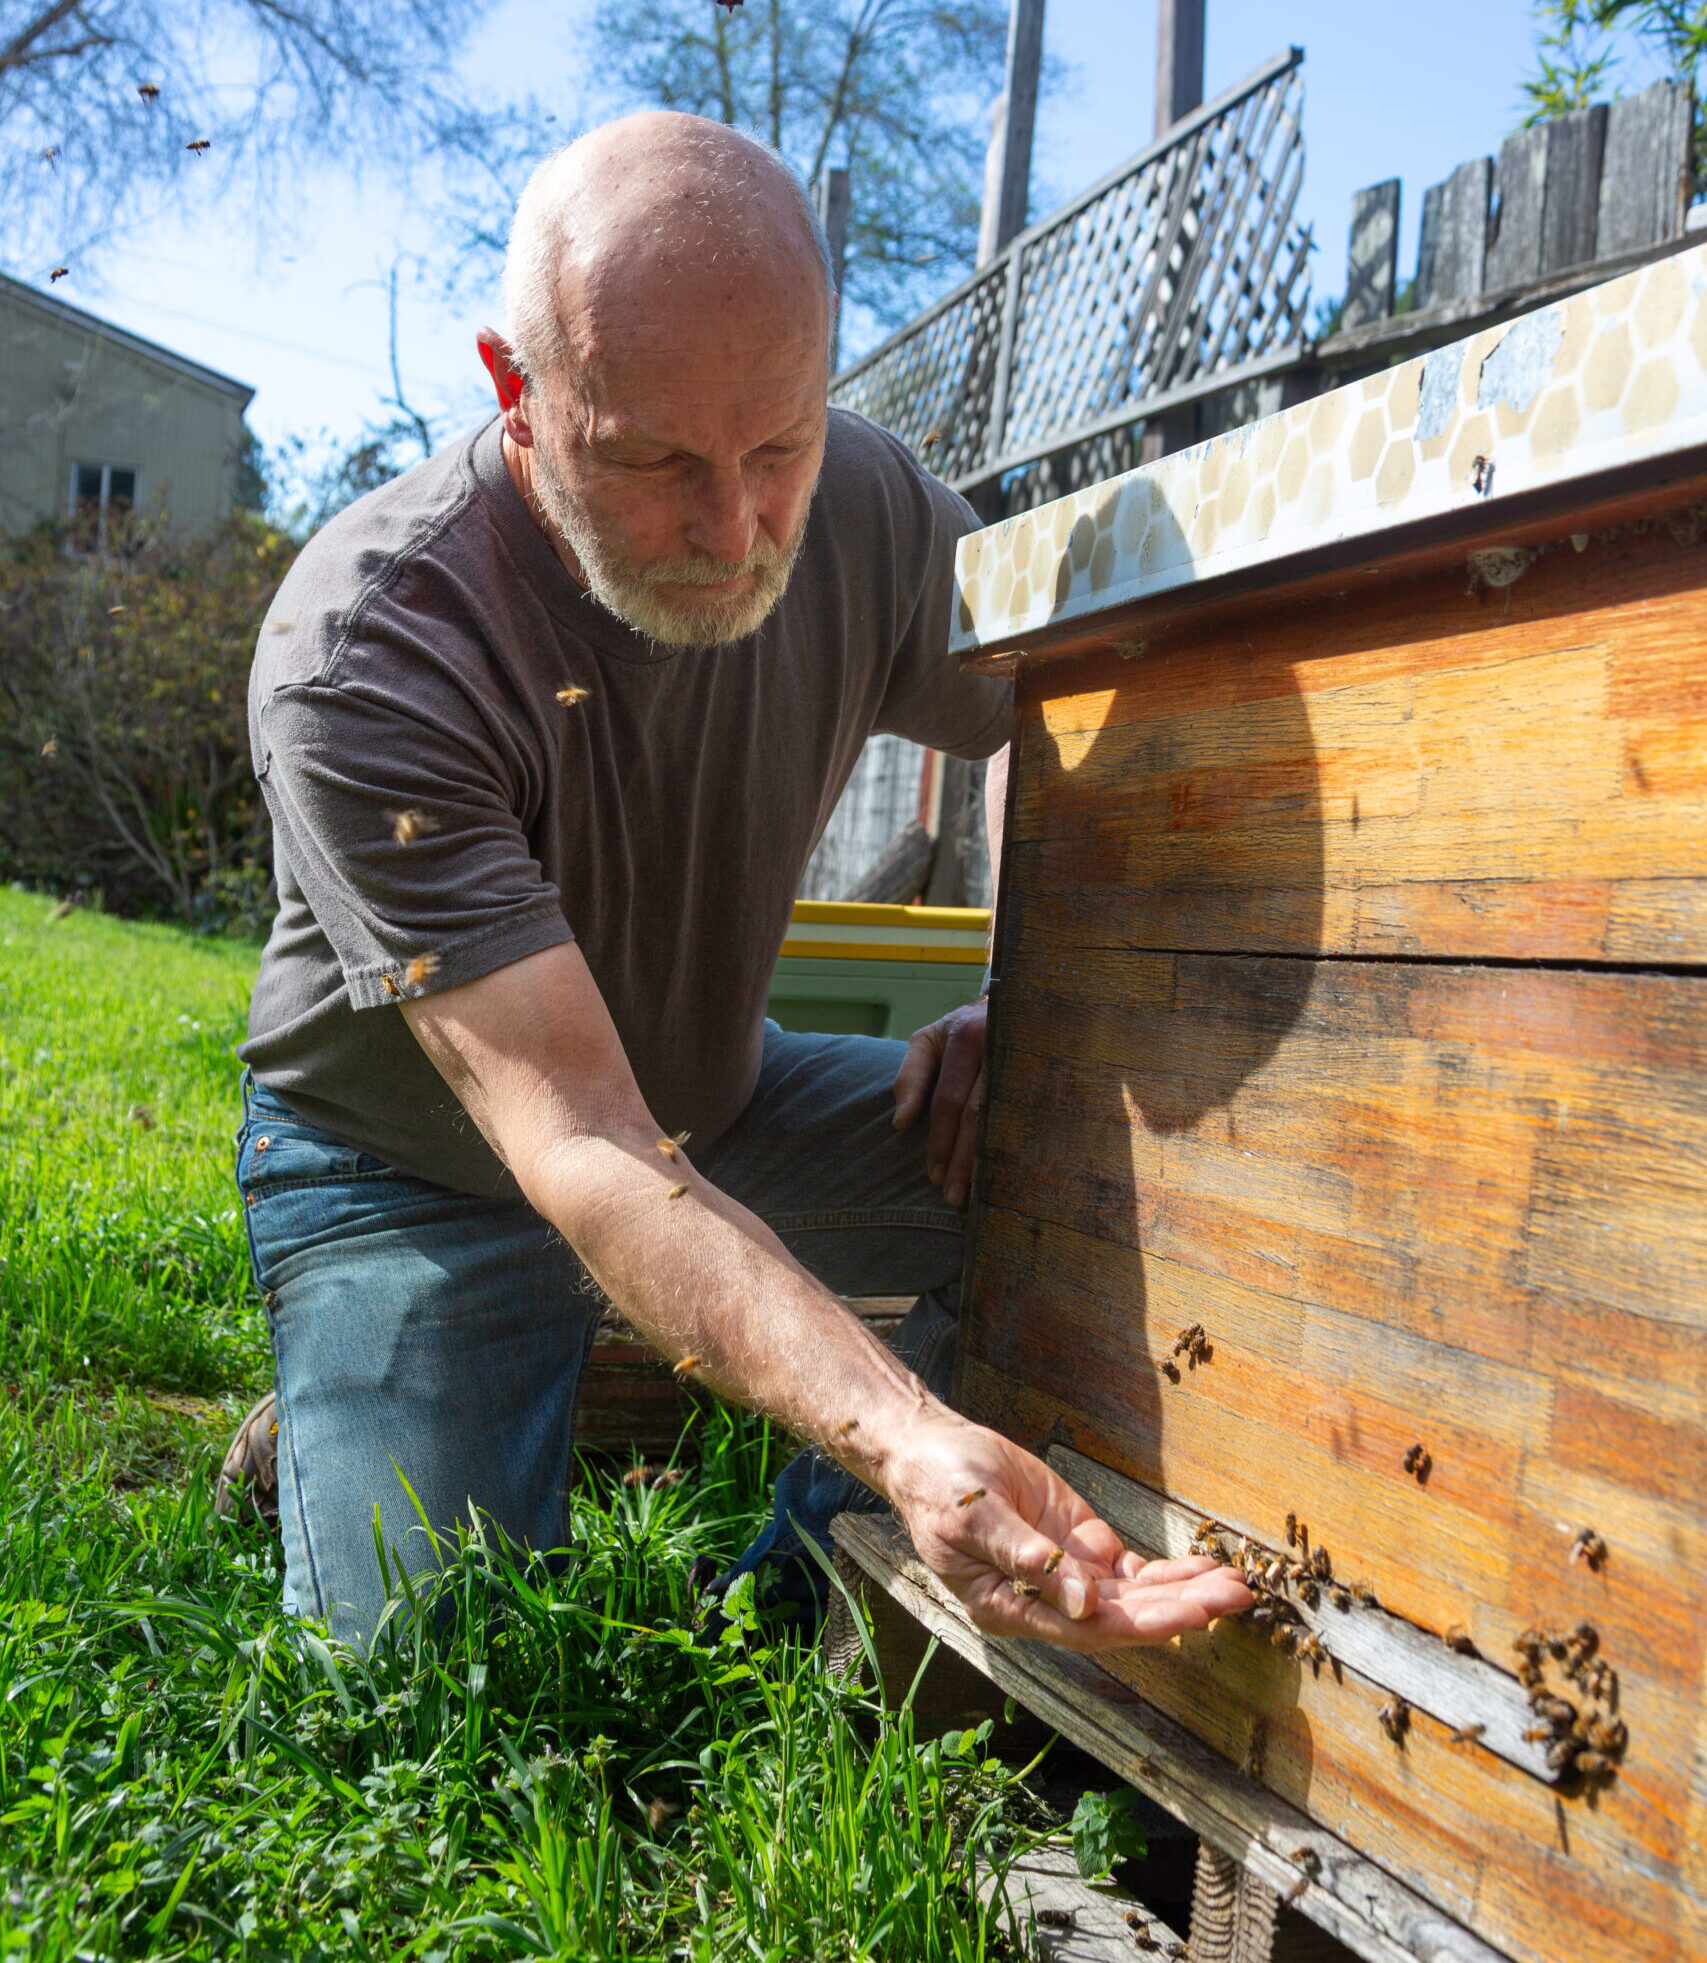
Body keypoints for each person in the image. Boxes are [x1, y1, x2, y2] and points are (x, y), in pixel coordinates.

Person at [224, 110, 1250, 1651]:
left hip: (718, 1107)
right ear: (518, 389)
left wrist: (1021, 1004)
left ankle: (804, 1583)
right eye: (650, 460)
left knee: (1051, 1172)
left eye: (780, 443)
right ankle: (344, 1403)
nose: (732, 527)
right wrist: (902, 1427)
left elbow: (1096, 735)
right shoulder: (371, 654)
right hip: (412, 1168)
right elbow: (577, 1140)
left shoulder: (869, 513)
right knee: (430, 1679)